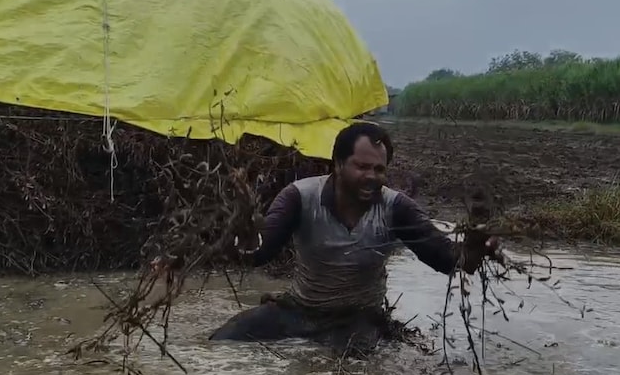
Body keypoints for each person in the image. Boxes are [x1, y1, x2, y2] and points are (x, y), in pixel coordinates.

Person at [159, 122, 502, 352]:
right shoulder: (299, 197)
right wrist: (240, 236)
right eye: (362, 167)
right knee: (220, 344)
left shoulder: (397, 208)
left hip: (357, 318)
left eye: (379, 169)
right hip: (298, 310)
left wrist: (474, 250)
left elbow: (447, 260)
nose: (372, 177)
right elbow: (259, 253)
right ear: (336, 164)